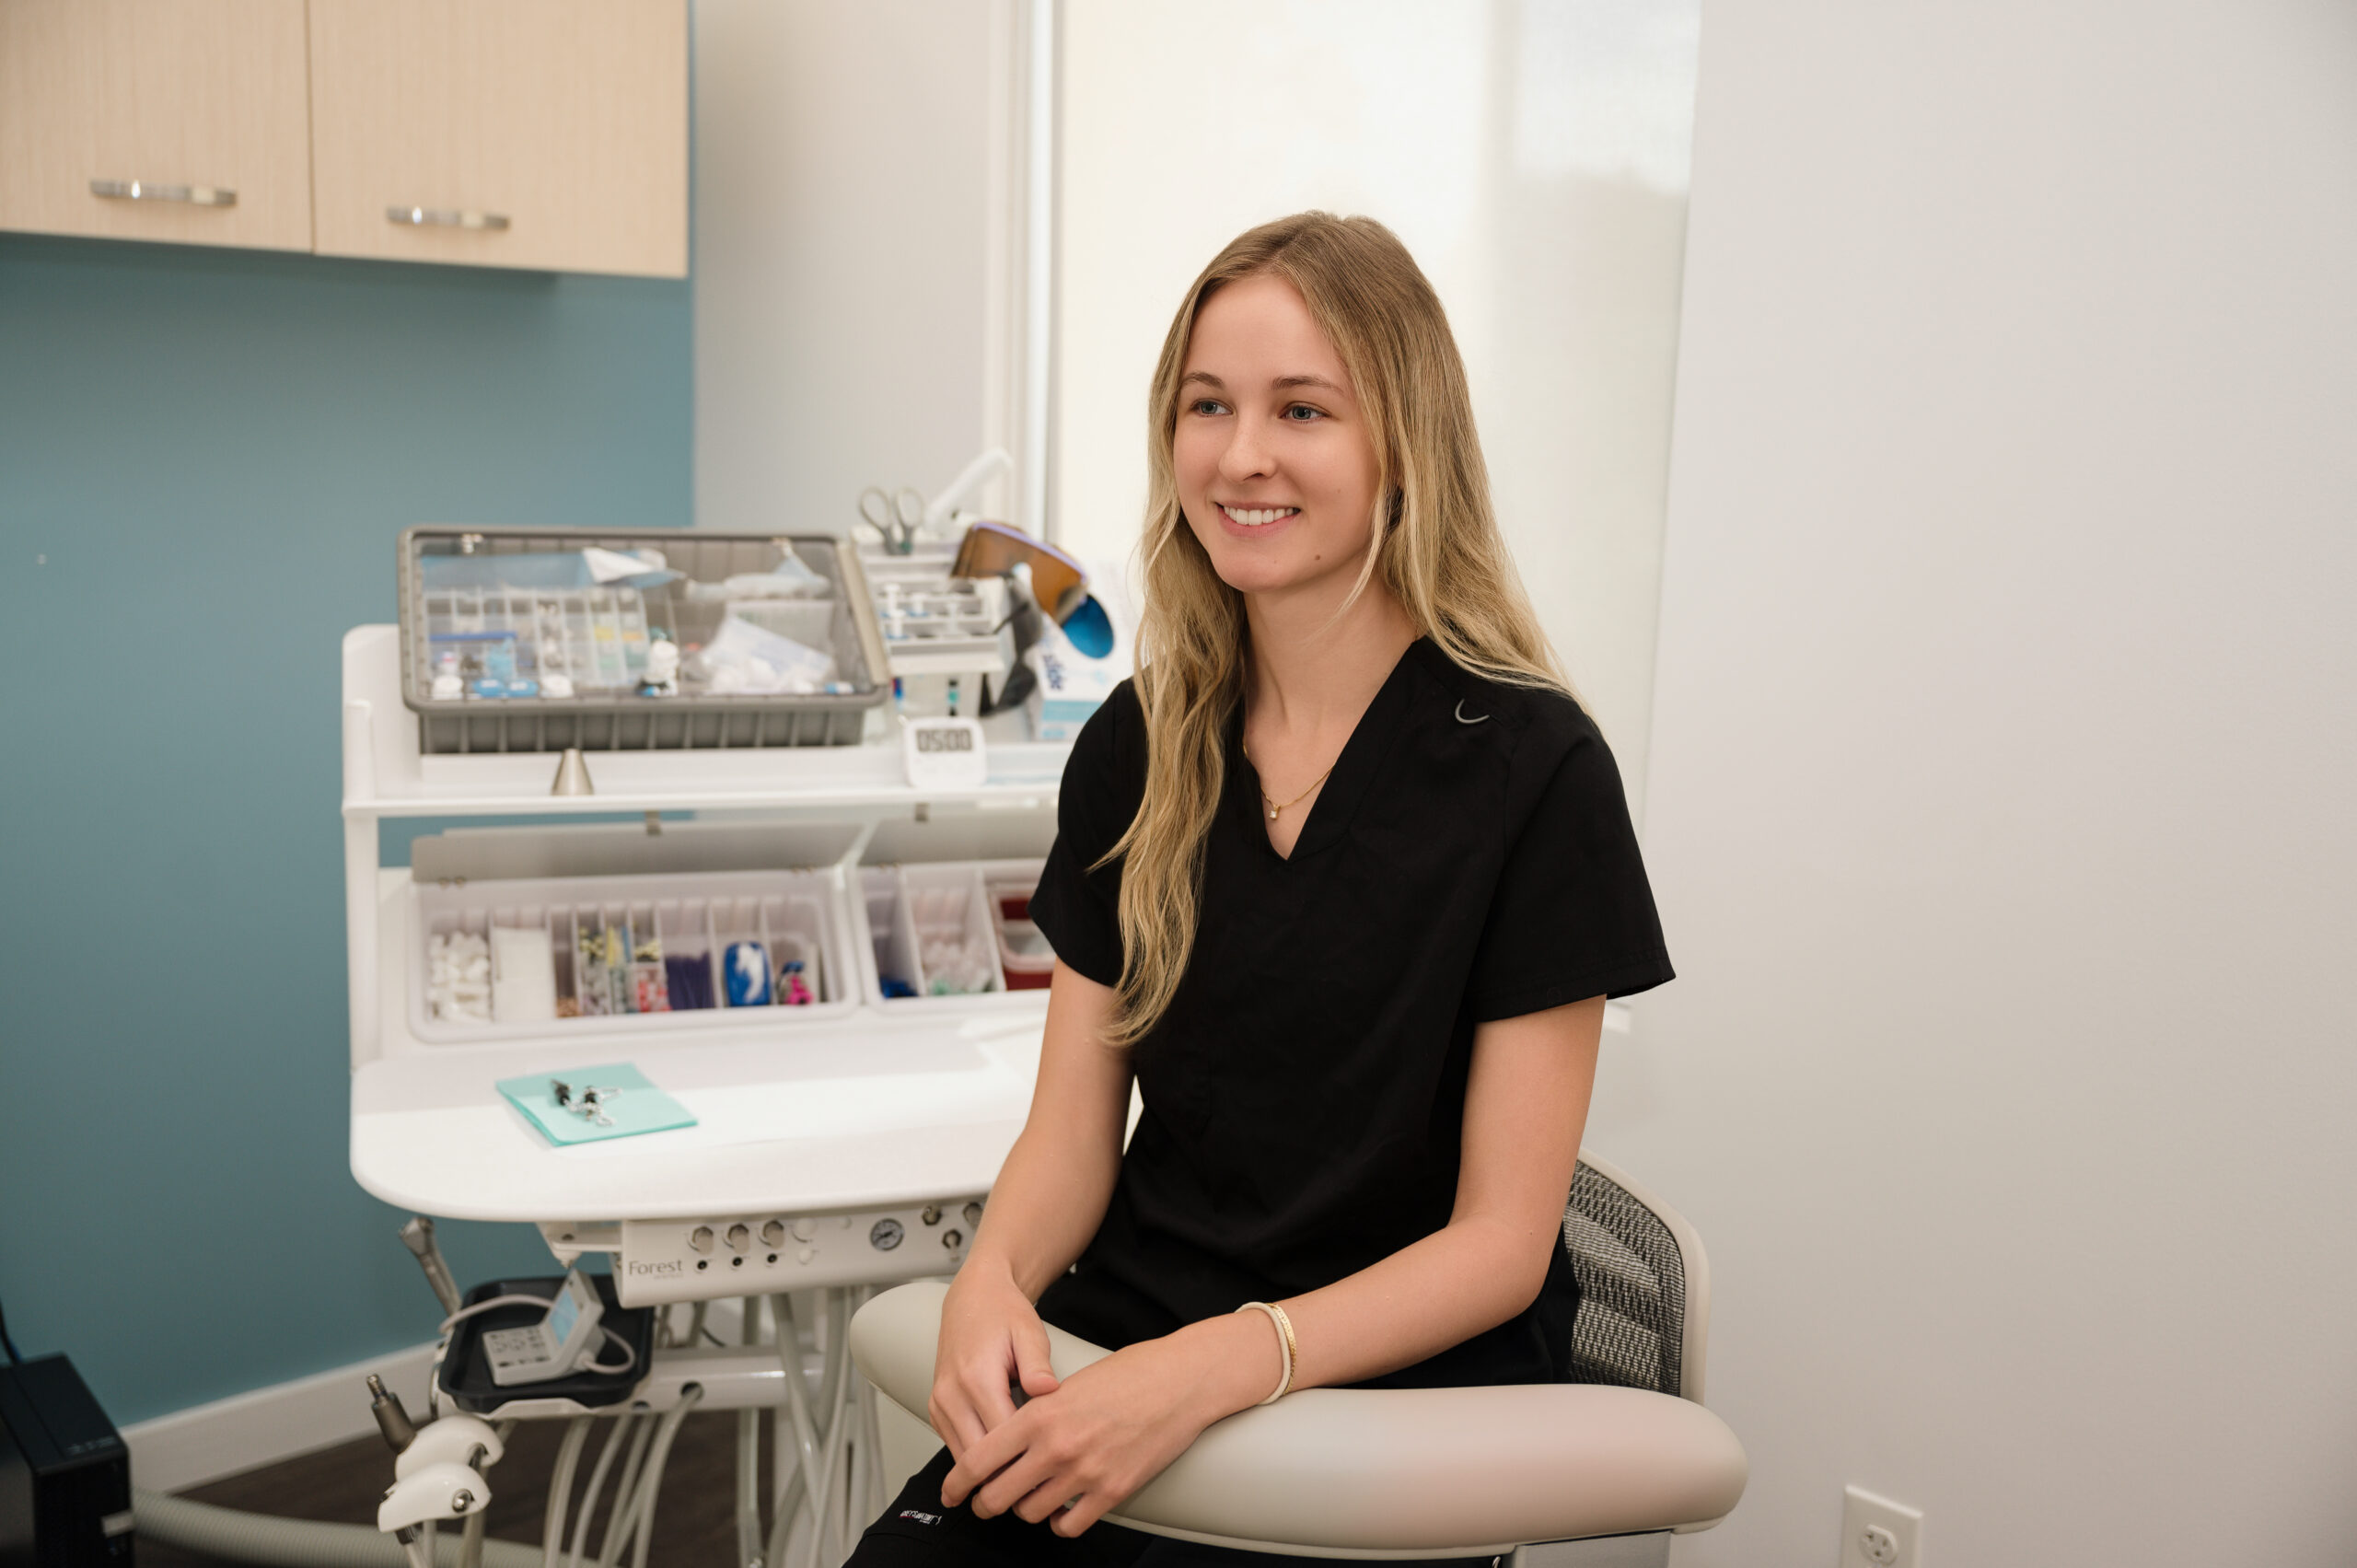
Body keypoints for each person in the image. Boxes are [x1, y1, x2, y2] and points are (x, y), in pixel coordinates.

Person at [848, 212, 1673, 1567]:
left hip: (1387, 1406)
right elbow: (1070, 1138)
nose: (1242, 456)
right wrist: (991, 1278)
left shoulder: (1534, 774)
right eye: (1207, 407)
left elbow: (1500, 1248)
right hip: (1136, 1339)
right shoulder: (1142, 743)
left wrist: (1219, 1367)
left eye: (1304, 410)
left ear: (1403, 443)